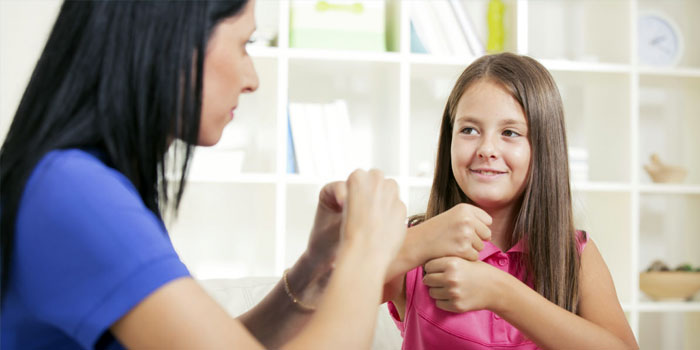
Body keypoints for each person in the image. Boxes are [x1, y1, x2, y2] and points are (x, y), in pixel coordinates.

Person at [0, 1, 407, 349]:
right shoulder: (75, 193)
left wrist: (314, 270)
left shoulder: (84, 183)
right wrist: (367, 251)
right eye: (244, 44)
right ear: (174, 40)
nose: (253, 80)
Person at [381, 53, 639, 349]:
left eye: (510, 132)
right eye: (469, 130)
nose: (486, 148)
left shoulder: (575, 254)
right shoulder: (413, 247)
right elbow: (320, 302)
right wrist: (417, 242)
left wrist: (501, 292)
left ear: (543, 147)